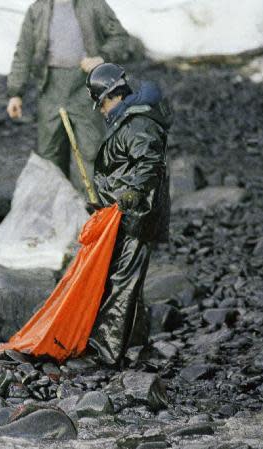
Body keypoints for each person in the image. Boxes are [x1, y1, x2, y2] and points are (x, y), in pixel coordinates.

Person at [85, 63, 172, 368]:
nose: (101, 110)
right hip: (125, 213)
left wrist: (134, 193)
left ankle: (107, 350)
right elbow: (121, 170)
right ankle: (135, 341)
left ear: (112, 96)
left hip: (137, 215)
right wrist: (105, 201)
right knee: (126, 278)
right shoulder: (129, 120)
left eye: (102, 103)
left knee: (122, 280)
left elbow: (148, 161)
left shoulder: (137, 124)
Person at [6, 0, 144, 192]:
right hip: (50, 89)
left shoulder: (93, 5)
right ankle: (57, 209)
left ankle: (92, 211)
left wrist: (101, 58)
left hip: (85, 88)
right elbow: (23, 52)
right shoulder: (37, 10)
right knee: (50, 154)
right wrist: (15, 93)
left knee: (91, 151)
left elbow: (120, 38)